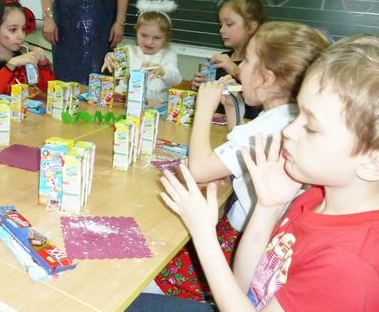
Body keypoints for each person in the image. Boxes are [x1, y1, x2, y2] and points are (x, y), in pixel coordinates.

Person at [129, 34, 379, 311]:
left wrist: (203, 234)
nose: (288, 130)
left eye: (311, 126)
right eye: (298, 115)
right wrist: (267, 207)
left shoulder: (347, 264)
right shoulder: (316, 199)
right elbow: (246, 287)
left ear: (372, 162)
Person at [153, 22, 330, 300]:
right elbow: (242, 154)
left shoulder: (273, 125)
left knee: (152, 267)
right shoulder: (287, 116)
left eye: (246, 61)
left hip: (239, 244)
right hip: (254, 239)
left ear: (267, 79)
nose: (240, 67)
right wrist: (232, 112)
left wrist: (203, 108)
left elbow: (199, 170)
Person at [192, 0, 266, 120]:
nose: (221, 30)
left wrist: (235, 70)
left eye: (229, 24)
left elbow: (262, 96)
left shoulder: (262, 61)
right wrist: (200, 87)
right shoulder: (223, 58)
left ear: (251, 27)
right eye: (221, 25)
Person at [100, 0, 181, 106]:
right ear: (136, 31)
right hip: (124, 99)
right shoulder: (129, 50)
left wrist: (163, 71)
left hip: (154, 104)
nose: (149, 42)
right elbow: (115, 60)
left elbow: (176, 79)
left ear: (166, 37)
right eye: (144, 35)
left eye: (157, 38)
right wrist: (109, 57)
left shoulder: (168, 55)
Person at [0, 0, 54, 97]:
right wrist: (11, 65)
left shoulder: (23, 56)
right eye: (13, 29)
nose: (21, 35)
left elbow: (50, 91)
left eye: (23, 29)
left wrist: (42, 63)